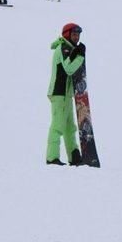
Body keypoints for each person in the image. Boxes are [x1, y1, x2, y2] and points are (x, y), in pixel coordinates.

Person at [46, 23, 86, 166]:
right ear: (67, 34)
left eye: (78, 34)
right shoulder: (63, 47)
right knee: (58, 126)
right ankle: (52, 157)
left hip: (66, 95)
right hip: (59, 94)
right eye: (74, 34)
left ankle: (74, 155)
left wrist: (77, 53)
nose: (76, 37)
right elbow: (69, 68)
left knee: (69, 127)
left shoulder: (69, 49)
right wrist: (80, 56)